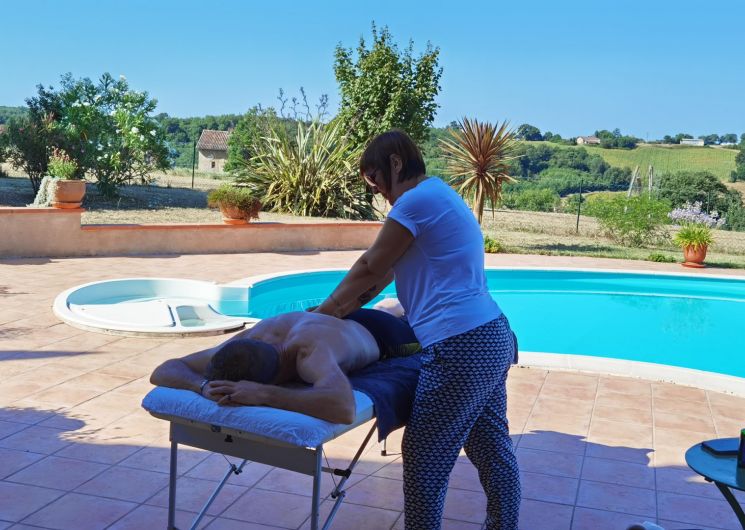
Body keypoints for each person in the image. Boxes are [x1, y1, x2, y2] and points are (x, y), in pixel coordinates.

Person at [313, 130, 520, 529]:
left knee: (425, 457)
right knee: (492, 449)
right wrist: (338, 311)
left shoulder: (415, 202)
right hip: (490, 335)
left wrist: (322, 314)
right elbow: (383, 274)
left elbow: (370, 265)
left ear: (395, 163)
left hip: (461, 345)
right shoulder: (439, 195)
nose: (377, 192)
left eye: (376, 180)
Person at [149, 307, 419, 424]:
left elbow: (344, 408)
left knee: (410, 322)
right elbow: (164, 370)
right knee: (387, 307)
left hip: (385, 334)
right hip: (329, 318)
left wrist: (264, 394)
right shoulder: (249, 340)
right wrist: (201, 385)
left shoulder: (309, 352)